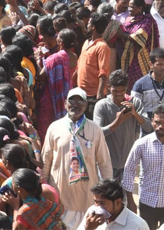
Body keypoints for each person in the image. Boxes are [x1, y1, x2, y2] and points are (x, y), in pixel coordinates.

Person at [41, 87, 112, 230]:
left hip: (87, 198)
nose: (76, 105)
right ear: (65, 103)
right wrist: (44, 189)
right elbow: (46, 161)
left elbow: (104, 162)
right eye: (72, 101)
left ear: (85, 106)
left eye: (80, 102)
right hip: (60, 197)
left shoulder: (95, 129)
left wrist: (108, 192)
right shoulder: (54, 128)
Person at [122, 104, 164, 229]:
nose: (160, 126)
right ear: (152, 122)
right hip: (147, 202)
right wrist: (130, 201)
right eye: (157, 122)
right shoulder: (141, 144)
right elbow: (129, 170)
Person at [93, 70, 151, 180]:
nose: (119, 94)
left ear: (127, 88)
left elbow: (148, 127)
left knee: (125, 196)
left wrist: (135, 113)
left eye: (122, 90)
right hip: (107, 163)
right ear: (109, 87)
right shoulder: (102, 106)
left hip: (128, 162)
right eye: (116, 91)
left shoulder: (135, 103)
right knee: (107, 196)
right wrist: (118, 121)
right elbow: (97, 134)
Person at [131, 48, 164, 133]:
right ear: (151, 64)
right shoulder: (140, 85)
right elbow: (135, 111)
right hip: (148, 132)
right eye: (159, 64)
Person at [121, 0, 159, 90]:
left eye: (132, 7)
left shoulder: (147, 20)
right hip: (130, 57)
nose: (129, 9)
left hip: (141, 57)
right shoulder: (130, 20)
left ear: (140, 8)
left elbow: (138, 37)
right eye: (129, 6)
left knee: (141, 84)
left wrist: (121, 34)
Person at [77, 179, 148, 230]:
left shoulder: (138, 226)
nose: (98, 208)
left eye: (102, 203)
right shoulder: (91, 213)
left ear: (117, 202)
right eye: (96, 202)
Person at [77, 12, 111, 117]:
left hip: (94, 96)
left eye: (89, 24)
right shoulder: (86, 43)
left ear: (93, 27)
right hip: (81, 93)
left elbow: (103, 71)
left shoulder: (102, 47)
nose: (87, 25)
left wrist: (100, 93)